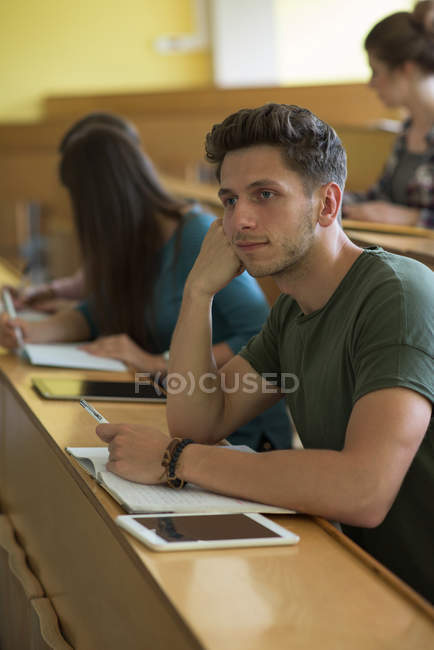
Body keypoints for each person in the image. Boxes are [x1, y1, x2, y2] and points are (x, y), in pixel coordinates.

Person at [94, 103, 433, 603]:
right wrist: (198, 292)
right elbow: (201, 421)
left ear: (327, 204)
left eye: (265, 195)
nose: (239, 220)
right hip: (364, 578)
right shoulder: (293, 309)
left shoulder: (398, 295)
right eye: (229, 200)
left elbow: (363, 490)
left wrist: (175, 459)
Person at [0, 121, 291, 451]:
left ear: (105, 202)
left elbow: (255, 334)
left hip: (241, 433)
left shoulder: (195, 234)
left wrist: (156, 363)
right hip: (171, 407)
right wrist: (28, 332)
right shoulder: (131, 243)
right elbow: (96, 312)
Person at [5, 112, 141, 312]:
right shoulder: (110, 219)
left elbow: (138, 312)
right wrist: (46, 292)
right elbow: (90, 280)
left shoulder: (144, 224)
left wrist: (75, 310)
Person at [343, 1, 434, 229]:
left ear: (406, 69)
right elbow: (379, 199)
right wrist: (320, 200)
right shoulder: (407, 130)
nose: (371, 84)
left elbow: (392, 212)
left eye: (376, 72)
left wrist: (411, 219)